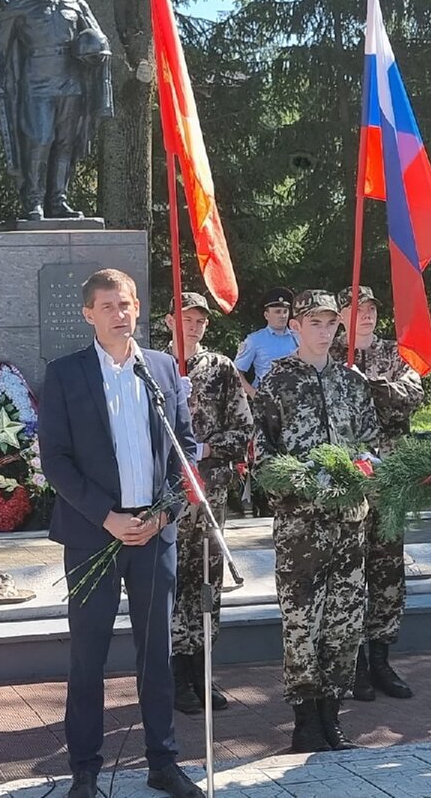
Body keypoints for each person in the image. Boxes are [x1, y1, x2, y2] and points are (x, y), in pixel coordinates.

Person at [38, 269, 204, 798]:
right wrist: (105, 516)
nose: (120, 314)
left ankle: (163, 762)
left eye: (127, 304)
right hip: (95, 535)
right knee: (89, 657)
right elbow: (56, 461)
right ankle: (84, 769)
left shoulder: (160, 370)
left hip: (154, 534)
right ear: (89, 314)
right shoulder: (65, 374)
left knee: (156, 655)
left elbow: (186, 450)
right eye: (108, 306)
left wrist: (165, 514)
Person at [253, 290, 379, 753]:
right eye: (315, 323)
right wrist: (300, 482)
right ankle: (305, 720)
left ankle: (332, 716)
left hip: (348, 520)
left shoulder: (352, 381)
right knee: (303, 621)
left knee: (345, 621)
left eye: (331, 323)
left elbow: (370, 439)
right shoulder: (277, 381)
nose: (325, 331)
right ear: (298, 327)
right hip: (302, 526)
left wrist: (364, 467)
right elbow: (262, 455)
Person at [331, 285, 423, 701]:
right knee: (348, 568)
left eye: (370, 309)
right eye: (356, 309)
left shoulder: (395, 353)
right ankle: (354, 664)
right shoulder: (328, 355)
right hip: (348, 479)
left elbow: (412, 395)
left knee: (387, 569)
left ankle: (381, 656)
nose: (365, 316)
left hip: (389, 478)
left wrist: (368, 385)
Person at [163, 292, 252, 716]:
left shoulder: (221, 369)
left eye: (200, 320)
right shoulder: (150, 368)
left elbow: (243, 431)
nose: (194, 326)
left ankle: (202, 668)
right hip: (167, 496)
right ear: (169, 322)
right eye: (186, 319)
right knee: (170, 581)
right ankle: (176, 672)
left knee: (208, 581)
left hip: (211, 494)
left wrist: (204, 449)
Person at [0, 0, 114, 220]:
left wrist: (95, 55)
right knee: (40, 140)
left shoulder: (75, 4)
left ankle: (58, 200)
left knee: (66, 143)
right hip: (36, 83)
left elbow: (99, 39)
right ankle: (34, 201)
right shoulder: (22, 5)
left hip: (71, 83)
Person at [234, 287, 299, 397]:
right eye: (277, 312)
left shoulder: (298, 337)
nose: (283, 316)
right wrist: (253, 394)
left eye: (285, 311)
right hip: (267, 400)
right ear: (266, 315)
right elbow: (236, 372)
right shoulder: (254, 340)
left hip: (296, 398)